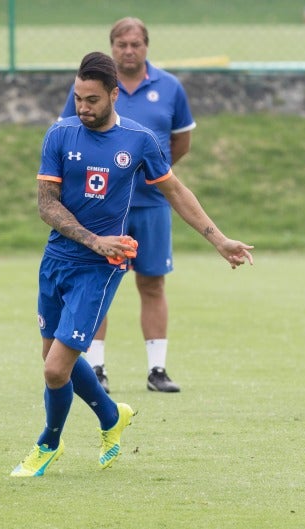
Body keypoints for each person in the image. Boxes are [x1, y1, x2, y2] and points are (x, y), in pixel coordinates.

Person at [11, 51, 254, 478]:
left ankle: (49, 442)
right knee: (55, 357)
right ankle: (111, 417)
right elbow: (46, 205)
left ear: (113, 94)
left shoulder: (139, 141)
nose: (82, 108)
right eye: (78, 98)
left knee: (54, 370)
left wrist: (219, 240)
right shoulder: (59, 134)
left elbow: (176, 191)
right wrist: (92, 239)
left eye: (91, 100)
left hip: (101, 269)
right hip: (57, 260)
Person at [60, 17, 196, 394]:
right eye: (121, 44)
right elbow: (67, 137)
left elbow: (180, 144)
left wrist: (150, 172)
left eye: (136, 44)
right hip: (102, 208)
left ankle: (157, 371)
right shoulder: (93, 88)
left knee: (152, 283)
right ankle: (96, 368)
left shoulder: (169, 88)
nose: (129, 50)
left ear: (146, 45)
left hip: (151, 205)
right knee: (96, 283)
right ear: (112, 47)